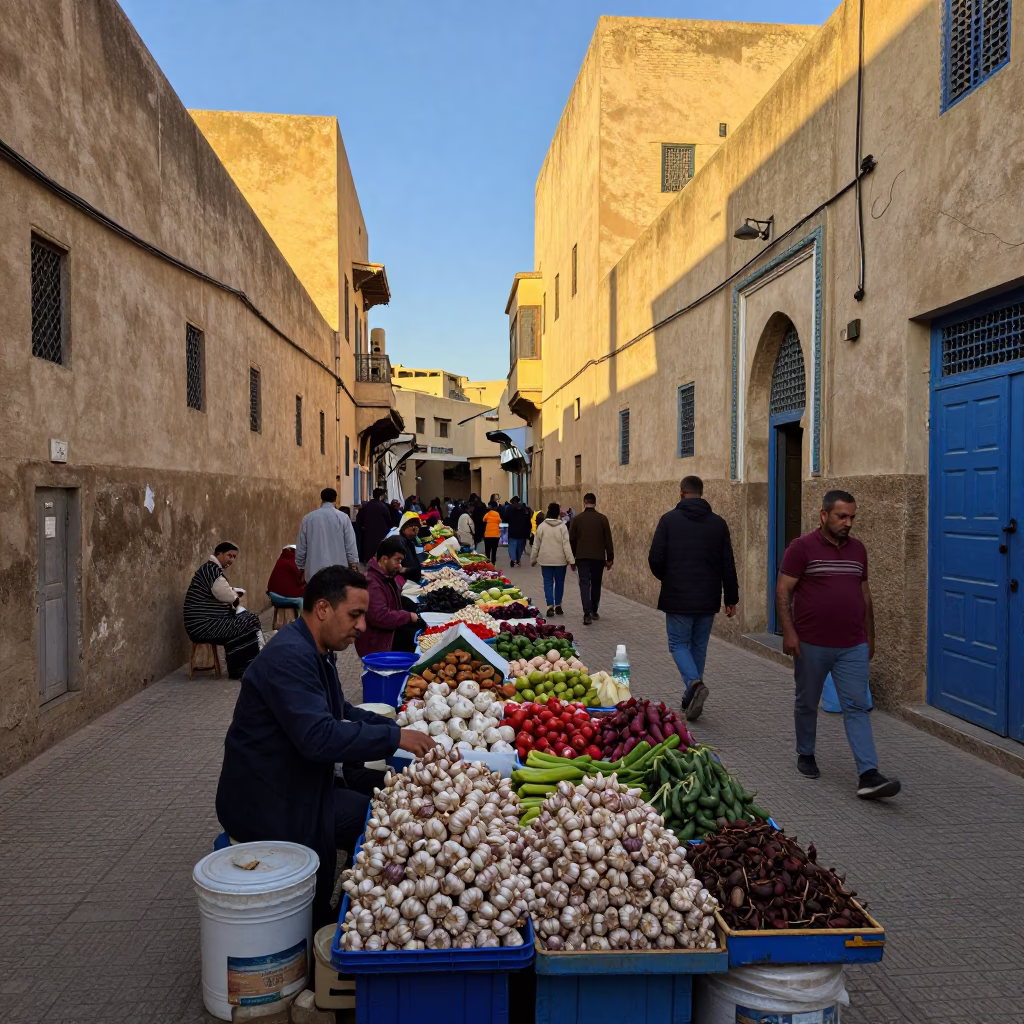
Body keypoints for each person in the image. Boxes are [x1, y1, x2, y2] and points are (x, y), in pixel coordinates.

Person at [215, 565, 437, 928]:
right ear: (322, 609)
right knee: (373, 821)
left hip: (296, 781)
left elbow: (340, 711)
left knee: (381, 799)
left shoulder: (316, 649)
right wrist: (394, 738)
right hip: (268, 800)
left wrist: (397, 724)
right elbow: (319, 737)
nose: (362, 627)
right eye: (355, 615)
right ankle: (326, 921)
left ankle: (350, 899)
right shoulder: (290, 658)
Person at [776, 491, 900, 800]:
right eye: (841, 516)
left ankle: (868, 773)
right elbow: (783, 592)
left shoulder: (858, 550)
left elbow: (865, 595)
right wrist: (788, 633)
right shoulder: (801, 549)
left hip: (852, 645)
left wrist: (870, 636)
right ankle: (806, 752)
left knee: (856, 706)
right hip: (811, 644)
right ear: (823, 515)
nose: (848, 523)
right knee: (807, 701)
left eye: (852, 517)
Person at [648, 476, 738, 722]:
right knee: (698, 646)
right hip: (708, 597)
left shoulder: (668, 521)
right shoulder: (718, 524)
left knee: (678, 644)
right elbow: (727, 563)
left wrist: (669, 578)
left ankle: (694, 684)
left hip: (677, 596)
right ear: (701, 493)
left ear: (681, 493)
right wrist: (731, 597)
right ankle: (691, 695)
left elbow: (655, 558)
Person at [184, 542, 265, 679]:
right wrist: (237, 602)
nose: (231, 560)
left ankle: (248, 665)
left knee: (246, 620)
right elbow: (225, 594)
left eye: (234, 557)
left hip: (202, 625)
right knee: (250, 620)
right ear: (219, 554)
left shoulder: (209, 570)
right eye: (229, 556)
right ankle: (244, 667)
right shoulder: (212, 570)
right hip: (203, 626)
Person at [357, 537, 425, 656]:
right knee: (419, 639)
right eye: (397, 560)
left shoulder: (384, 575)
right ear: (384, 559)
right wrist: (408, 616)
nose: (399, 565)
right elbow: (380, 617)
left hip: (387, 631)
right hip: (378, 641)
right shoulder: (373, 583)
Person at [295, 488, 359, 583]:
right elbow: (350, 543)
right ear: (335, 499)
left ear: (322, 499)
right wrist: (353, 564)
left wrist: (300, 566)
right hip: (338, 572)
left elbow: (301, 546)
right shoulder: (343, 518)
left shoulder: (308, 518)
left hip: (314, 572)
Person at [569, 493, 614, 625]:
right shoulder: (602, 519)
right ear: (595, 502)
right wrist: (610, 557)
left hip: (582, 557)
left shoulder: (577, 519)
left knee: (584, 584)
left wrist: (572, 558)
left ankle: (586, 613)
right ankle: (594, 610)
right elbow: (608, 540)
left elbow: (572, 540)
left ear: (584, 502)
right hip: (598, 557)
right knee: (596, 583)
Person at [531, 502, 576, 617]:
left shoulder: (542, 527)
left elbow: (536, 545)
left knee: (548, 583)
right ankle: (558, 605)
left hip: (545, 560)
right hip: (560, 561)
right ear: (557, 513)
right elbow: (566, 545)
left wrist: (533, 559)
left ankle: (549, 606)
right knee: (559, 582)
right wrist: (571, 561)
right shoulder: (562, 527)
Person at [355, 488, 394, 564]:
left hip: (368, 532)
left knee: (368, 549)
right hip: (381, 533)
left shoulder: (366, 506)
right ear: (381, 496)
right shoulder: (383, 506)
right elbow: (388, 520)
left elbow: (359, 519)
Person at [386, 512, 424, 584]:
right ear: (404, 527)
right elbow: (396, 568)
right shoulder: (397, 540)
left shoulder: (408, 540)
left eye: (417, 526)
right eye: (412, 526)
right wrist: (409, 571)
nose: (416, 530)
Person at [266, 544, 304, 612]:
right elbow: (299, 581)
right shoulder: (291, 562)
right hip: (278, 596)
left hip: (273, 595)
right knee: (302, 601)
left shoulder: (282, 560)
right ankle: (305, 622)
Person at [504, 496, 533, 568]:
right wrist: (528, 531)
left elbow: (505, 519)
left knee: (512, 546)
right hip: (522, 532)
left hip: (512, 531)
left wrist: (503, 533)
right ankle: (518, 559)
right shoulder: (525, 509)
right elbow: (528, 522)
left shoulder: (509, 509)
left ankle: (513, 560)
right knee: (520, 547)